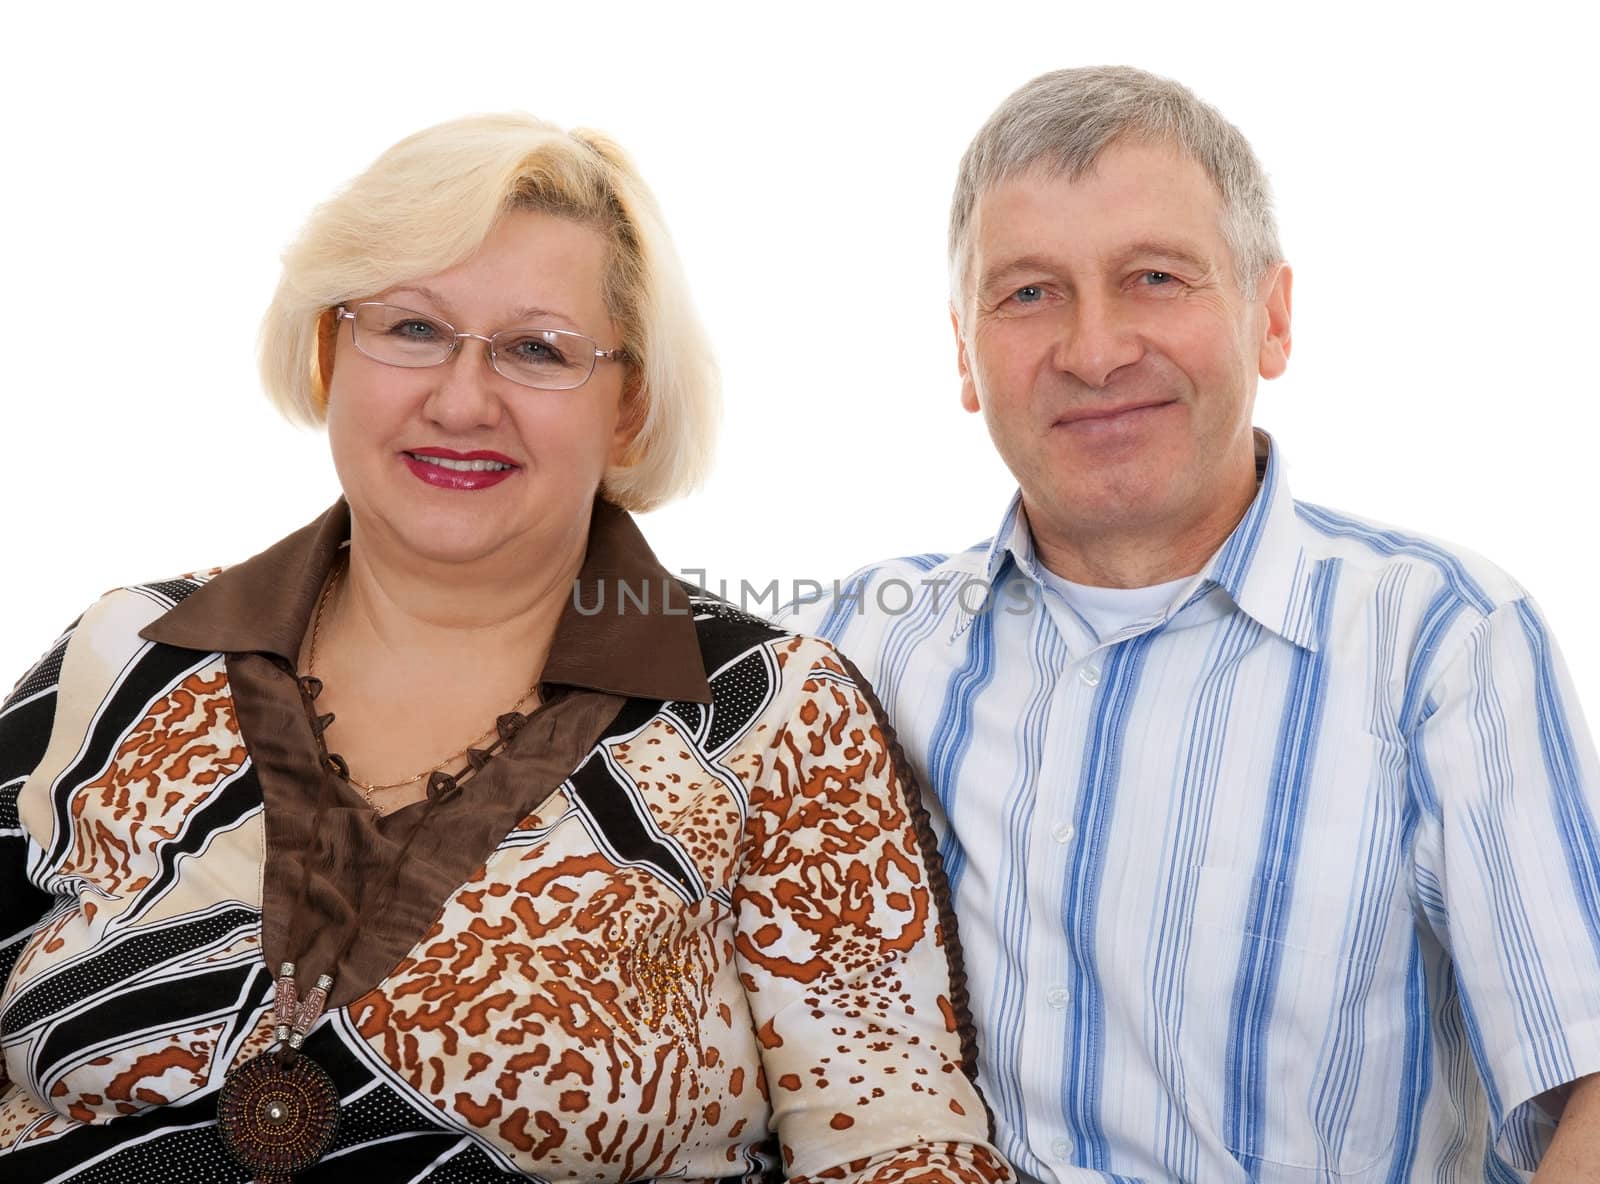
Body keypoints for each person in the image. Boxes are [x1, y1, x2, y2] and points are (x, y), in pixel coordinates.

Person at [0, 114, 1013, 1184]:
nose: (460, 398)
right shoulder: (124, 654)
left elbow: (901, 1148)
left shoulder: (771, 716)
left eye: (537, 349)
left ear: (629, 407)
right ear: (328, 350)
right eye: (411, 328)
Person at [777, 66, 1600, 1183]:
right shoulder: (851, 651)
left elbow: (1587, 1085)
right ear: (962, 354)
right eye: (1027, 293)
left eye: (1154, 277)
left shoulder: (1441, 641)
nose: (1096, 348)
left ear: (1269, 316)